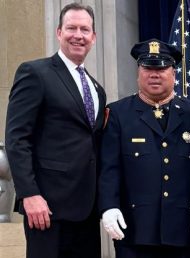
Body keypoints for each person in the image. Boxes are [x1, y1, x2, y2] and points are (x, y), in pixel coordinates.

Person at [5, 3, 106, 258]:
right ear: (59, 32)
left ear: (93, 37)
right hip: (46, 209)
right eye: (71, 27)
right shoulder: (35, 73)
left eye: (85, 29)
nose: (78, 35)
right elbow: (17, 139)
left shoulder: (96, 89)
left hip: (86, 211)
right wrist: (29, 194)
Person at [98, 38, 190, 258]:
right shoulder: (118, 114)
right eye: (148, 67)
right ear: (138, 72)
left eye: (162, 68)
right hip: (134, 229)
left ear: (173, 73)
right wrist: (108, 206)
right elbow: (109, 167)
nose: (154, 74)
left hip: (179, 229)